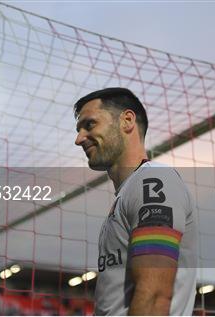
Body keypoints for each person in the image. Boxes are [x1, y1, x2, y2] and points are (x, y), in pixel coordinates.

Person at [73, 88, 197, 315]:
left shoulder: (153, 181)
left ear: (127, 120)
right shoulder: (128, 193)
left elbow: (154, 295)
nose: (78, 139)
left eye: (89, 125)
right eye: (79, 129)